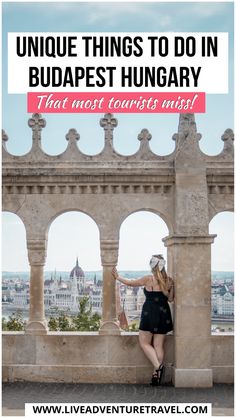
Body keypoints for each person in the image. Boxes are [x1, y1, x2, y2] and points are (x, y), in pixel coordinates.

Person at [112, 254, 174, 386]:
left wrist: (117, 277)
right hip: (163, 314)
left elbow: (130, 283)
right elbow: (170, 299)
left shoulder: (148, 279)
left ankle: (158, 367)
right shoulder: (168, 280)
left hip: (149, 313)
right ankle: (156, 377)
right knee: (158, 345)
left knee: (144, 343)